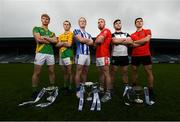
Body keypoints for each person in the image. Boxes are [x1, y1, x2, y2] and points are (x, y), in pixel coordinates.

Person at [32, 14, 57, 98]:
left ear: (49, 21)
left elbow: (55, 41)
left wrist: (45, 37)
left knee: (51, 71)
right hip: (40, 53)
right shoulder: (36, 28)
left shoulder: (52, 32)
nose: (45, 20)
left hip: (50, 53)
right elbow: (38, 39)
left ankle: (52, 88)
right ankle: (34, 91)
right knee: (37, 73)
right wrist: (50, 40)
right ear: (41, 20)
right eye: (43, 19)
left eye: (47, 19)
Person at [130, 17, 155, 104]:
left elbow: (147, 39)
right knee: (134, 72)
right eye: (137, 21)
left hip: (146, 54)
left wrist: (136, 42)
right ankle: (134, 88)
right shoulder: (132, 34)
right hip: (135, 55)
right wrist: (141, 42)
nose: (139, 22)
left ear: (142, 23)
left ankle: (151, 90)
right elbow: (131, 45)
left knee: (148, 72)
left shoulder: (147, 31)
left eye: (141, 21)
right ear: (135, 24)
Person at [111, 19, 132, 96]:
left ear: (121, 25)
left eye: (119, 23)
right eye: (116, 23)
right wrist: (124, 40)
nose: (118, 24)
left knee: (125, 73)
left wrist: (119, 40)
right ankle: (111, 89)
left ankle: (126, 89)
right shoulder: (112, 34)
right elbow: (115, 41)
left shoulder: (126, 33)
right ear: (114, 25)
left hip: (125, 56)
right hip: (115, 56)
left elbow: (130, 42)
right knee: (113, 73)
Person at [73, 17, 93, 98]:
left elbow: (92, 43)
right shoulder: (76, 31)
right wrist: (88, 41)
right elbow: (80, 40)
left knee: (85, 72)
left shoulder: (89, 34)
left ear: (86, 23)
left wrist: (86, 41)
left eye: (84, 21)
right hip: (80, 54)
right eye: (81, 21)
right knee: (78, 72)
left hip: (88, 54)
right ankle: (78, 89)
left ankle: (83, 87)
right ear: (79, 23)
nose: (82, 22)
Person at [94, 18, 112, 102]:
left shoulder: (106, 30)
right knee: (100, 74)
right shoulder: (99, 34)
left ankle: (108, 93)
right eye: (98, 22)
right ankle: (101, 89)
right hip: (98, 56)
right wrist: (96, 42)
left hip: (104, 55)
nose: (99, 23)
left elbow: (99, 40)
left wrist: (96, 42)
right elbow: (94, 45)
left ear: (104, 24)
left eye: (101, 22)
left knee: (106, 74)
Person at [56, 20, 74, 92]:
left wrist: (61, 43)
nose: (66, 26)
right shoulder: (60, 35)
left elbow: (69, 44)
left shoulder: (71, 34)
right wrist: (65, 42)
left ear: (70, 26)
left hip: (68, 55)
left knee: (70, 72)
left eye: (67, 24)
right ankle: (65, 86)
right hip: (61, 55)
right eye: (65, 24)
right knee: (64, 72)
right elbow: (57, 45)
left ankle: (70, 87)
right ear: (63, 26)